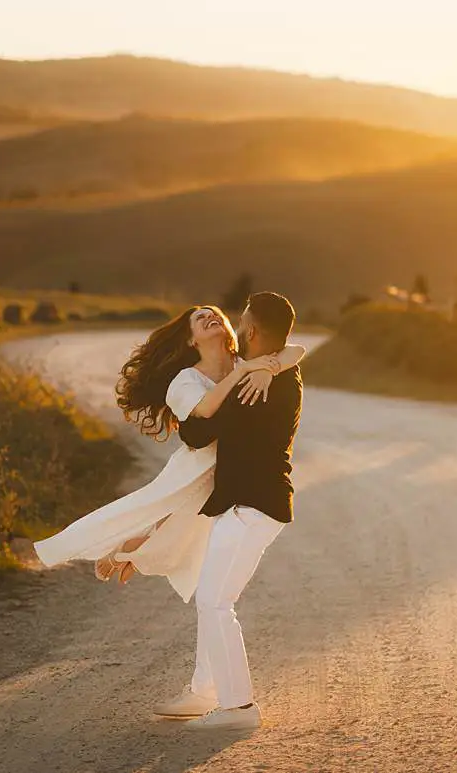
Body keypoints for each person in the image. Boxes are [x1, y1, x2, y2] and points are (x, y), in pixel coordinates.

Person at [30, 305, 304, 603]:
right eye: (200, 318)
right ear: (191, 340)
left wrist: (268, 368)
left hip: (231, 466)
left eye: (215, 313)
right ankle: (122, 549)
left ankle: (131, 552)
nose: (210, 316)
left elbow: (296, 350)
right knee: (160, 513)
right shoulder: (185, 381)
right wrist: (247, 370)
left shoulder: (245, 361)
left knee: (184, 534)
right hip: (197, 464)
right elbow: (206, 409)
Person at [153, 292, 302, 732]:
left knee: (216, 601)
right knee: (211, 595)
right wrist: (269, 362)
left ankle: (238, 708)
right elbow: (294, 350)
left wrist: (255, 371)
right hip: (253, 504)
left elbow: (196, 434)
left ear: (251, 331)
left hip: (253, 508)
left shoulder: (255, 387)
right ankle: (204, 690)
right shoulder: (276, 373)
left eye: (241, 321)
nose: (235, 326)